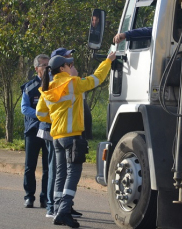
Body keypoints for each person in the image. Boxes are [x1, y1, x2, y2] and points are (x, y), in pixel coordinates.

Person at [36, 52, 116, 228]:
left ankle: (58, 209)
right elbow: (97, 79)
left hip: (56, 137)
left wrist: (56, 119)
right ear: (63, 68)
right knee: (73, 173)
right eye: (69, 65)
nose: (71, 67)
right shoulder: (72, 84)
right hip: (71, 136)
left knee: (60, 174)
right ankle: (64, 211)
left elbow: (41, 115)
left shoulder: (46, 88)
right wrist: (108, 61)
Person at [20, 54, 50, 208]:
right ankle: (29, 196)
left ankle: (45, 198)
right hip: (33, 130)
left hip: (48, 131)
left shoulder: (54, 85)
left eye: (48, 65)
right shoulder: (29, 87)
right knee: (30, 166)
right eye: (43, 65)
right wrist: (41, 116)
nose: (46, 68)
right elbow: (24, 108)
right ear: (36, 68)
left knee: (48, 166)